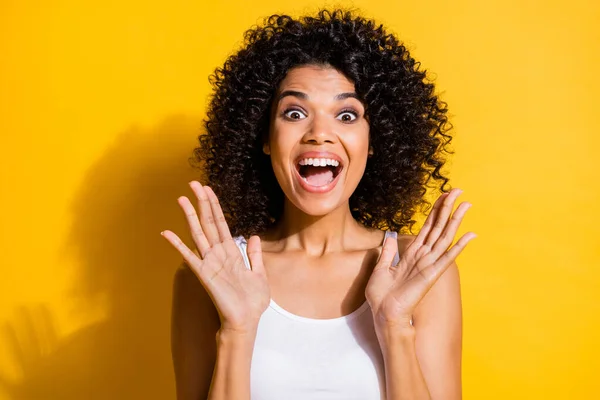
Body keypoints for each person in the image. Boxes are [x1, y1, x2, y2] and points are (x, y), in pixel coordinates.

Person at [161, 9, 475, 400]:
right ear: (264, 136)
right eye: (295, 113)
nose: (320, 134)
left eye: (346, 114)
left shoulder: (418, 270)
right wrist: (237, 331)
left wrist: (395, 327)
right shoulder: (213, 274)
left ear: (374, 141)